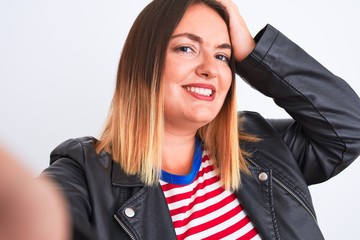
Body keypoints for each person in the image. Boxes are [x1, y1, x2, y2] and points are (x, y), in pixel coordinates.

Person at [41, 0, 360, 239]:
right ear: (143, 64)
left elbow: (350, 127)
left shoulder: (259, 144)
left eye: (222, 55)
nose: (211, 68)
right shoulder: (83, 174)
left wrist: (251, 52)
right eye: (186, 48)